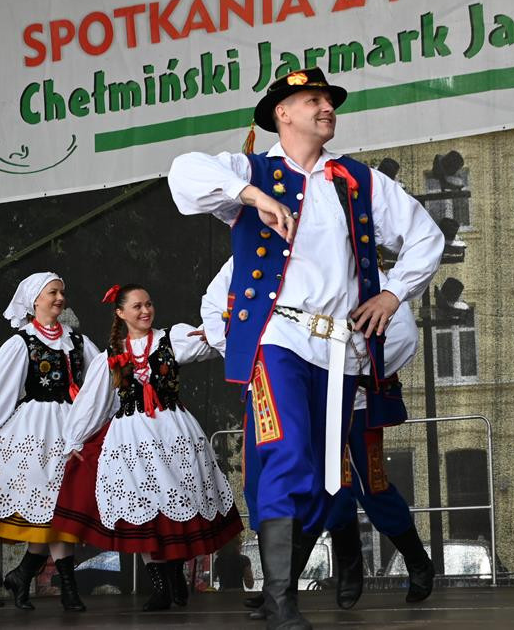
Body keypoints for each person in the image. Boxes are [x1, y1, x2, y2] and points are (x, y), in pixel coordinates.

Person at [170, 66, 443, 630]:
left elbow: (425, 235)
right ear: (282, 113)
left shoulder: (357, 181)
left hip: (341, 349)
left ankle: (282, 589)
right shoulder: (252, 171)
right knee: (286, 454)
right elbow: (183, 174)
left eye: (329, 101)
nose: (326, 108)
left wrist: (393, 294)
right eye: (313, 100)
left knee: (326, 479)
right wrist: (252, 196)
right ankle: (280, 599)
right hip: (280, 338)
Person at [200, 257, 435, 613]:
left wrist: (355, 369)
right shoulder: (252, 253)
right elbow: (216, 308)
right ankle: (304, 578)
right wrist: (251, 357)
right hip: (287, 392)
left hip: (350, 397)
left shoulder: (352, 254)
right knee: (304, 483)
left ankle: (416, 560)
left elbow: (402, 330)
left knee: (370, 485)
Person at [52, 283, 242, 612]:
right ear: (121, 313)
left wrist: (218, 330)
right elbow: (91, 404)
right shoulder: (109, 357)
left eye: (149, 304)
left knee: (179, 505)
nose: (145, 311)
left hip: (174, 434)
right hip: (131, 440)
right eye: (137, 306)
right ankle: (160, 585)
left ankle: (175, 574)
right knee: (141, 511)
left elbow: (210, 345)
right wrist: (74, 439)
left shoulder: (172, 338)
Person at [0, 272, 99, 613]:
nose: (60, 298)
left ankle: (24, 575)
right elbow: (1, 393)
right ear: (34, 301)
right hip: (35, 433)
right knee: (52, 511)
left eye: (62, 292)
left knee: (58, 509)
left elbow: (99, 384)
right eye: (53, 292)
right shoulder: (21, 343)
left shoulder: (78, 341)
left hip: (70, 431)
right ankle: (67, 589)